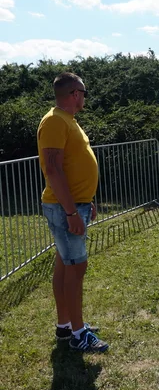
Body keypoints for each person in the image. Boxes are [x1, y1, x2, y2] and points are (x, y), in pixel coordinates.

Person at [37, 72, 108, 353]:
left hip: (73, 205)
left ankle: (65, 325)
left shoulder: (67, 120)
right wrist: (70, 212)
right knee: (76, 267)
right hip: (64, 208)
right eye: (84, 92)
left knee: (64, 264)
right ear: (74, 93)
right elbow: (52, 169)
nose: (84, 97)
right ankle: (79, 334)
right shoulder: (55, 120)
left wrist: (83, 201)